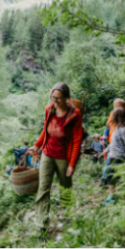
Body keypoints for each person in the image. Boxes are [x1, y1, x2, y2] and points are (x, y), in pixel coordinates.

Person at [27, 82, 82, 233]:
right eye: (53, 97)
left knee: (65, 187)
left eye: (58, 98)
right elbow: (46, 130)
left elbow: (77, 140)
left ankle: (66, 215)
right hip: (47, 153)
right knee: (43, 188)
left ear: (66, 98)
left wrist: (72, 164)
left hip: (64, 156)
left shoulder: (75, 115)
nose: (54, 101)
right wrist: (37, 146)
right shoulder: (49, 109)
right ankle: (42, 223)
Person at [99, 107, 125, 204]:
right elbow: (113, 143)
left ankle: (112, 197)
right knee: (112, 176)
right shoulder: (116, 128)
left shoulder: (124, 130)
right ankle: (113, 195)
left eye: (113, 116)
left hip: (119, 156)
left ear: (118, 117)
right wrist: (106, 150)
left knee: (111, 176)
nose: (112, 118)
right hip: (113, 155)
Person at [99, 99, 125, 187]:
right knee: (108, 162)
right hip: (112, 143)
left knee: (114, 165)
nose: (116, 108)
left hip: (120, 147)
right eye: (115, 106)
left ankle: (112, 182)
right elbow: (108, 126)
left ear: (124, 107)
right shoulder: (112, 115)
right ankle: (104, 179)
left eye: (119, 106)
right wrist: (104, 138)